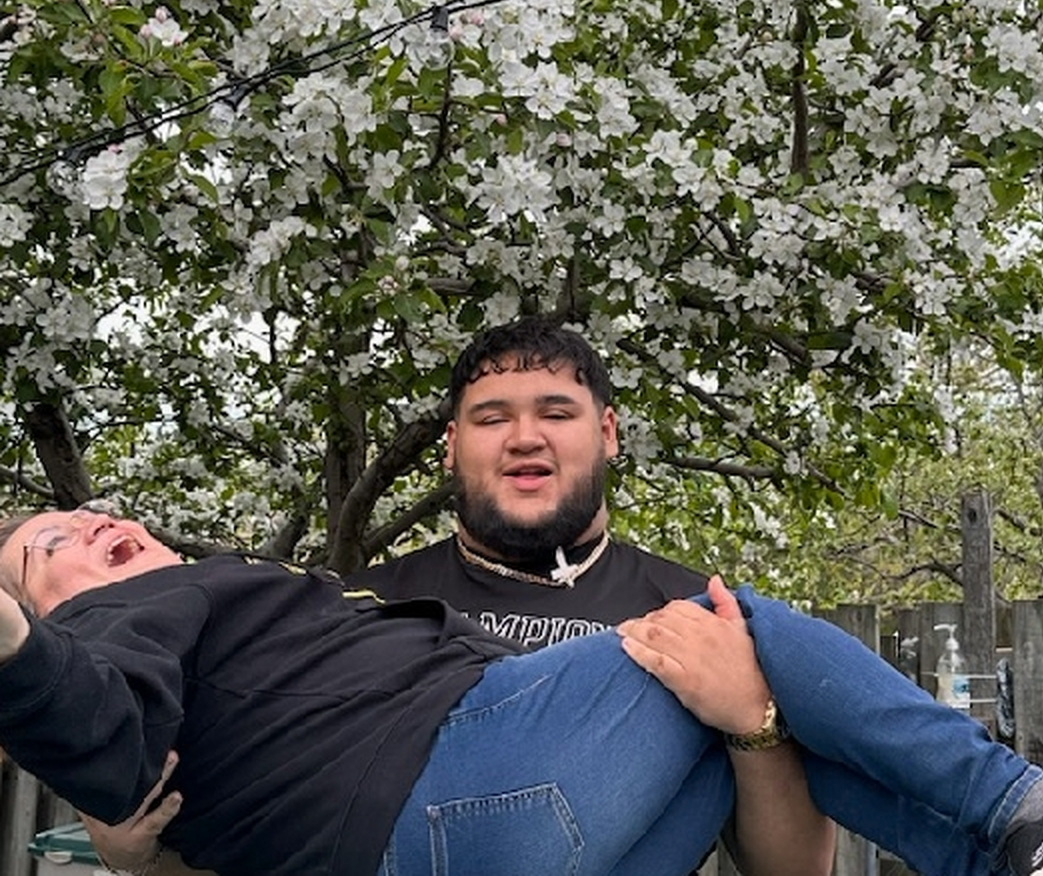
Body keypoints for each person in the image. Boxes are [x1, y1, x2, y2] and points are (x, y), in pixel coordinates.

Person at [3, 511, 1043, 876]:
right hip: (458, 796)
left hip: (479, 839)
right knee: (715, 624)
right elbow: (81, 714)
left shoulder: (240, 640)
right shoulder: (124, 621)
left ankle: (1031, 859)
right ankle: (1025, 817)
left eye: (92, 512)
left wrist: (754, 728)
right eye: (44, 544)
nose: (88, 524)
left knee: (726, 705)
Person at [80, 318, 831, 876]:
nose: (524, 437)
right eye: (492, 418)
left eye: (556, 413)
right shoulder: (360, 608)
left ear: (607, 432)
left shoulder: (698, 611)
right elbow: (267, 846)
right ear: (451, 446)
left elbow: (796, 872)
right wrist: (135, 858)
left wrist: (754, 726)